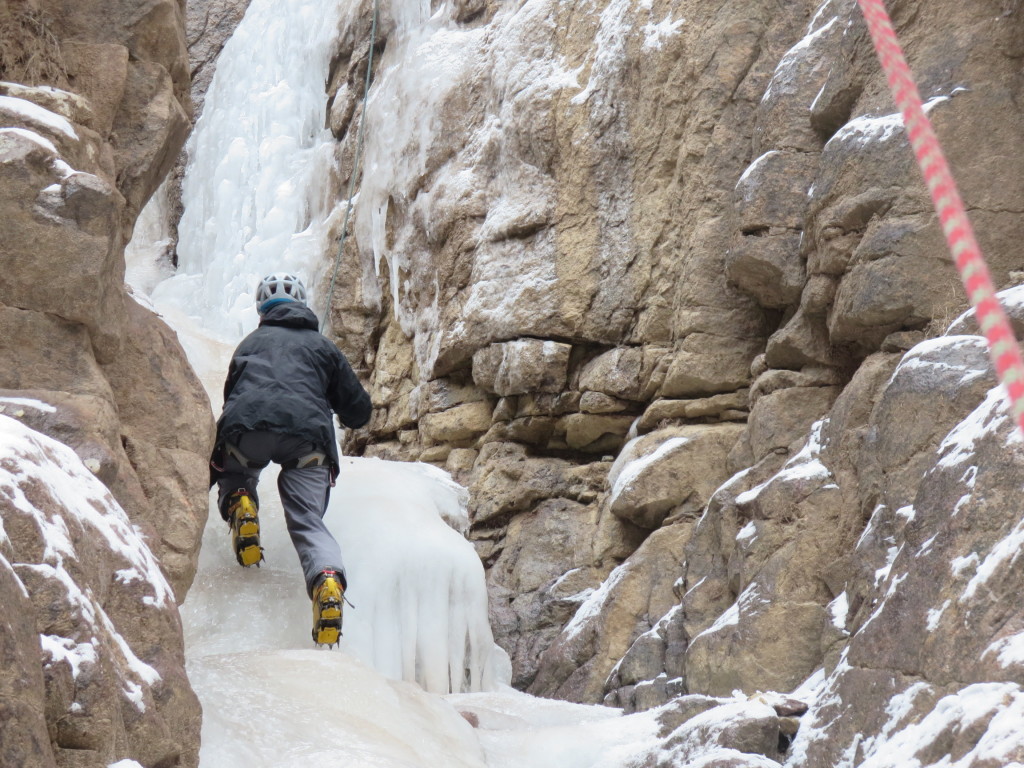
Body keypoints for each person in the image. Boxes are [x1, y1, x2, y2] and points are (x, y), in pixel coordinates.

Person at [209, 272, 372, 647]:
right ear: (302, 304)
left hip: (248, 430)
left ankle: (240, 503)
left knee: (237, 471)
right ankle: (327, 578)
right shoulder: (324, 348)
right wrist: (344, 414)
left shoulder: (249, 343)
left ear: (261, 311)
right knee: (307, 520)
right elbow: (357, 409)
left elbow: (232, 401)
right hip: (308, 442)